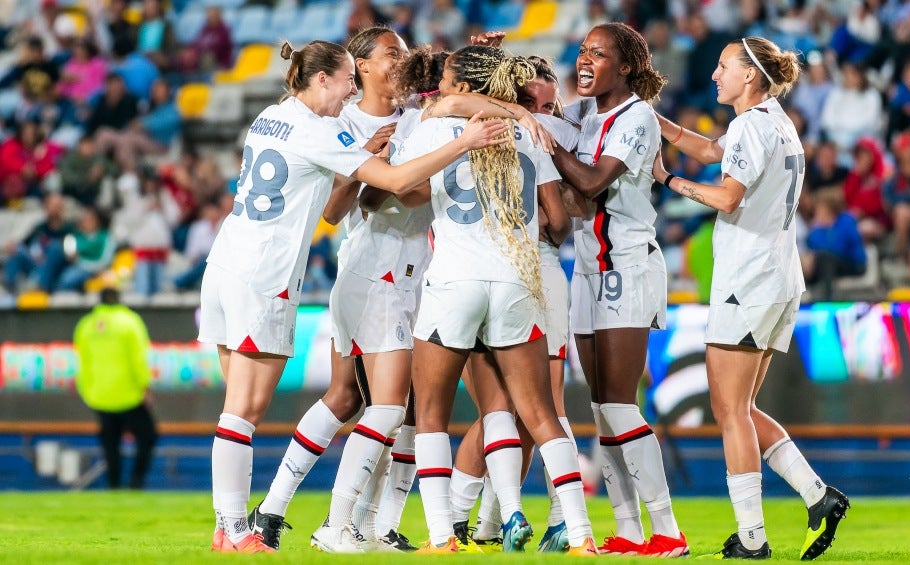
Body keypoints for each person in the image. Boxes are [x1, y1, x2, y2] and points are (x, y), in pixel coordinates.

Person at [199, 38, 507, 554]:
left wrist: (477, 61)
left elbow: (442, 97)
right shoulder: (328, 127)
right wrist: (458, 145)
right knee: (255, 408)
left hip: (231, 261)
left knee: (367, 402)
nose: (346, 92)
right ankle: (253, 527)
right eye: (345, 80)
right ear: (340, 74)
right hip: (291, 272)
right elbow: (379, 190)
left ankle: (284, 520)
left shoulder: (274, 116)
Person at [393, 44, 596, 555]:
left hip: (454, 280)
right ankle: (581, 534)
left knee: (433, 414)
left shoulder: (436, 126)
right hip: (517, 282)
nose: (439, 87)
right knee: (541, 412)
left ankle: (444, 535)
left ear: (463, 85)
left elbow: (405, 190)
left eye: (446, 79)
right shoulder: (531, 133)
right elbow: (556, 218)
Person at [653, 36, 850, 559]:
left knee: (731, 412)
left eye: (723, 66)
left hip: (749, 280)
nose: (714, 75)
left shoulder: (749, 126)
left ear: (750, 76)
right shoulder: (777, 122)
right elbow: (715, 152)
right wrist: (662, 125)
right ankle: (818, 496)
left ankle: (752, 538)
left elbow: (727, 196)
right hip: (779, 277)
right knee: (739, 407)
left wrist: (667, 179)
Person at [550, 22, 688, 557]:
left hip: (628, 267)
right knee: (602, 408)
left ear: (626, 66)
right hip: (588, 270)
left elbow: (589, 183)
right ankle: (628, 530)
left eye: (599, 53)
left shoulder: (637, 117)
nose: (585, 60)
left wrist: (547, 143)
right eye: (583, 51)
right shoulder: (585, 115)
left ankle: (668, 529)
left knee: (619, 403)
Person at [73, 286, 158, 489]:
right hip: (129, 394)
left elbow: (82, 361)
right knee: (147, 437)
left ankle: (114, 485)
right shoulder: (130, 322)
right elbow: (138, 358)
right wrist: (144, 386)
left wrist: (87, 390)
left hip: (99, 394)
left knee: (110, 443)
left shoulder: (86, 325)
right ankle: (136, 481)